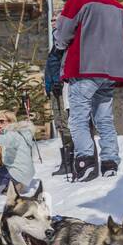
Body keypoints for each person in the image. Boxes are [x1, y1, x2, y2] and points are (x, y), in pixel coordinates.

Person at [54, 0, 123, 182]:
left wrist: (60, 42)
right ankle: (110, 162)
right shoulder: (118, 7)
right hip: (111, 72)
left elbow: (63, 34)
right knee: (104, 119)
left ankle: (85, 162)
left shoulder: (77, 0)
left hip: (84, 68)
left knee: (78, 118)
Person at [44, 16, 74, 177]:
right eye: (52, 20)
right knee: (59, 123)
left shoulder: (63, 39)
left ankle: (71, 160)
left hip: (61, 87)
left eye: (56, 19)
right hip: (54, 88)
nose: (52, 22)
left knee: (64, 122)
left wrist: (57, 81)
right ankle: (66, 160)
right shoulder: (56, 39)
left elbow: (62, 63)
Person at [0, 111, 37, 188]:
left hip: (19, 172)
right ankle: (13, 183)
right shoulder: (18, 132)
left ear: (11, 121)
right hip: (24, 171)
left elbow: (7, 140)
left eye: (2, 121)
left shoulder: (12, 133)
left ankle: (14, 184)